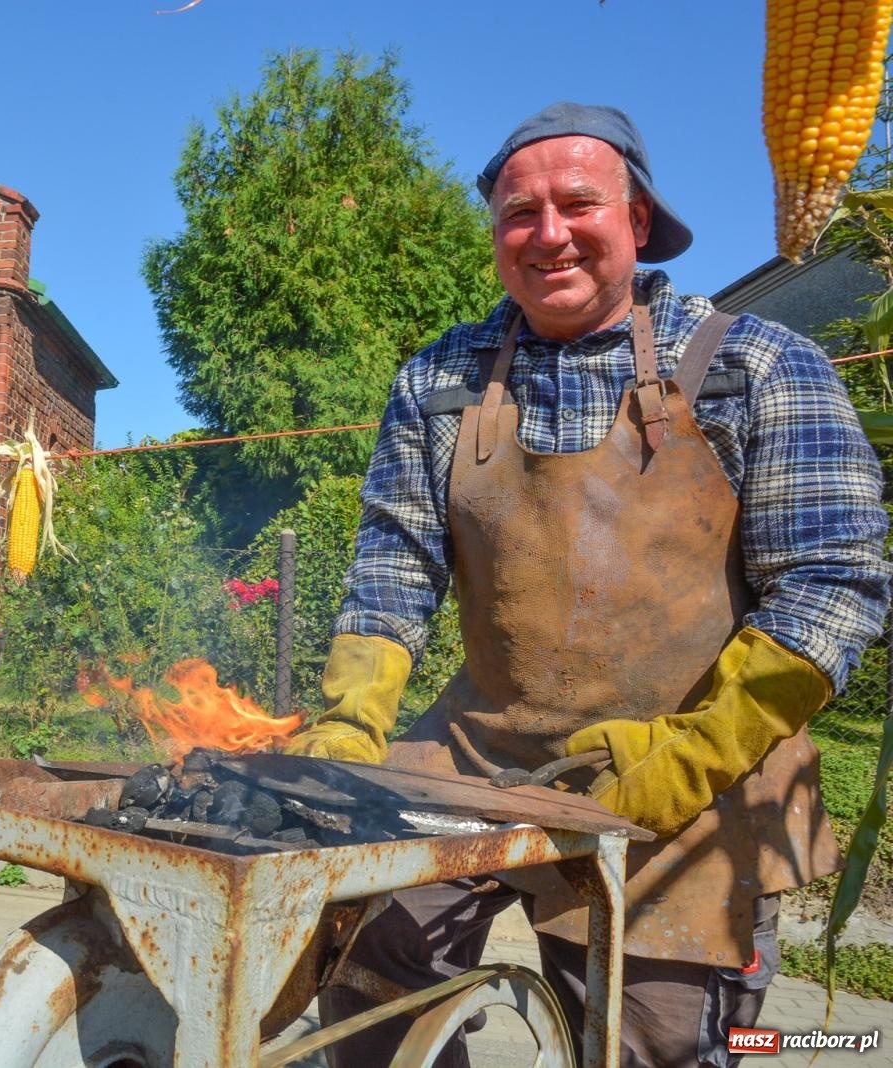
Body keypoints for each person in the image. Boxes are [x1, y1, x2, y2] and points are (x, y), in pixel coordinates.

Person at [285, 102, 890, 1066]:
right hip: (477, 756)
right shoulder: (442, 377)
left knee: (648, 1038)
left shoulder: (756, 366)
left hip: (691, 781)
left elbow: (835, 581)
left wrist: (696, 752)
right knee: (365, 966)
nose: (549, 233)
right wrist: (354, 717)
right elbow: (395, 562)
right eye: (520, 213)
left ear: (638, 220)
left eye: (578, 203)